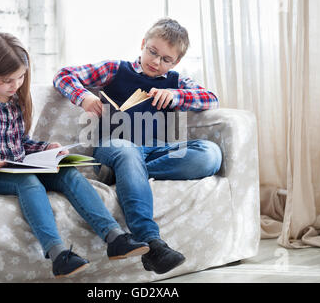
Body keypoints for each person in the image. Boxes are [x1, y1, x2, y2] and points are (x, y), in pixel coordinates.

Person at [0, 33, 150, 278]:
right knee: (29, 182)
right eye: (7, 80)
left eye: (20, 77)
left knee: (67, 171)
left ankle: (115, 238)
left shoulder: (15, 102)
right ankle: (58, 255)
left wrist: (47, 148)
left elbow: (22, 143)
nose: (15, 84)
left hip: (19, 165)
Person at [53, 18, 222, 274]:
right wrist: (84, 96)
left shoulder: (176, 81)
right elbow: (64, 75)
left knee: (210, 154)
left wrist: (177, 96)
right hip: (116, 146)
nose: (156, 62)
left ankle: (127, 174)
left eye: (166, 59)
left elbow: (211, 99)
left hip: (156, 149)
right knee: (127, 152)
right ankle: (152, 243)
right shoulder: (115, 69)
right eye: (152, 52)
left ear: (175, 62)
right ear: (143, 44)